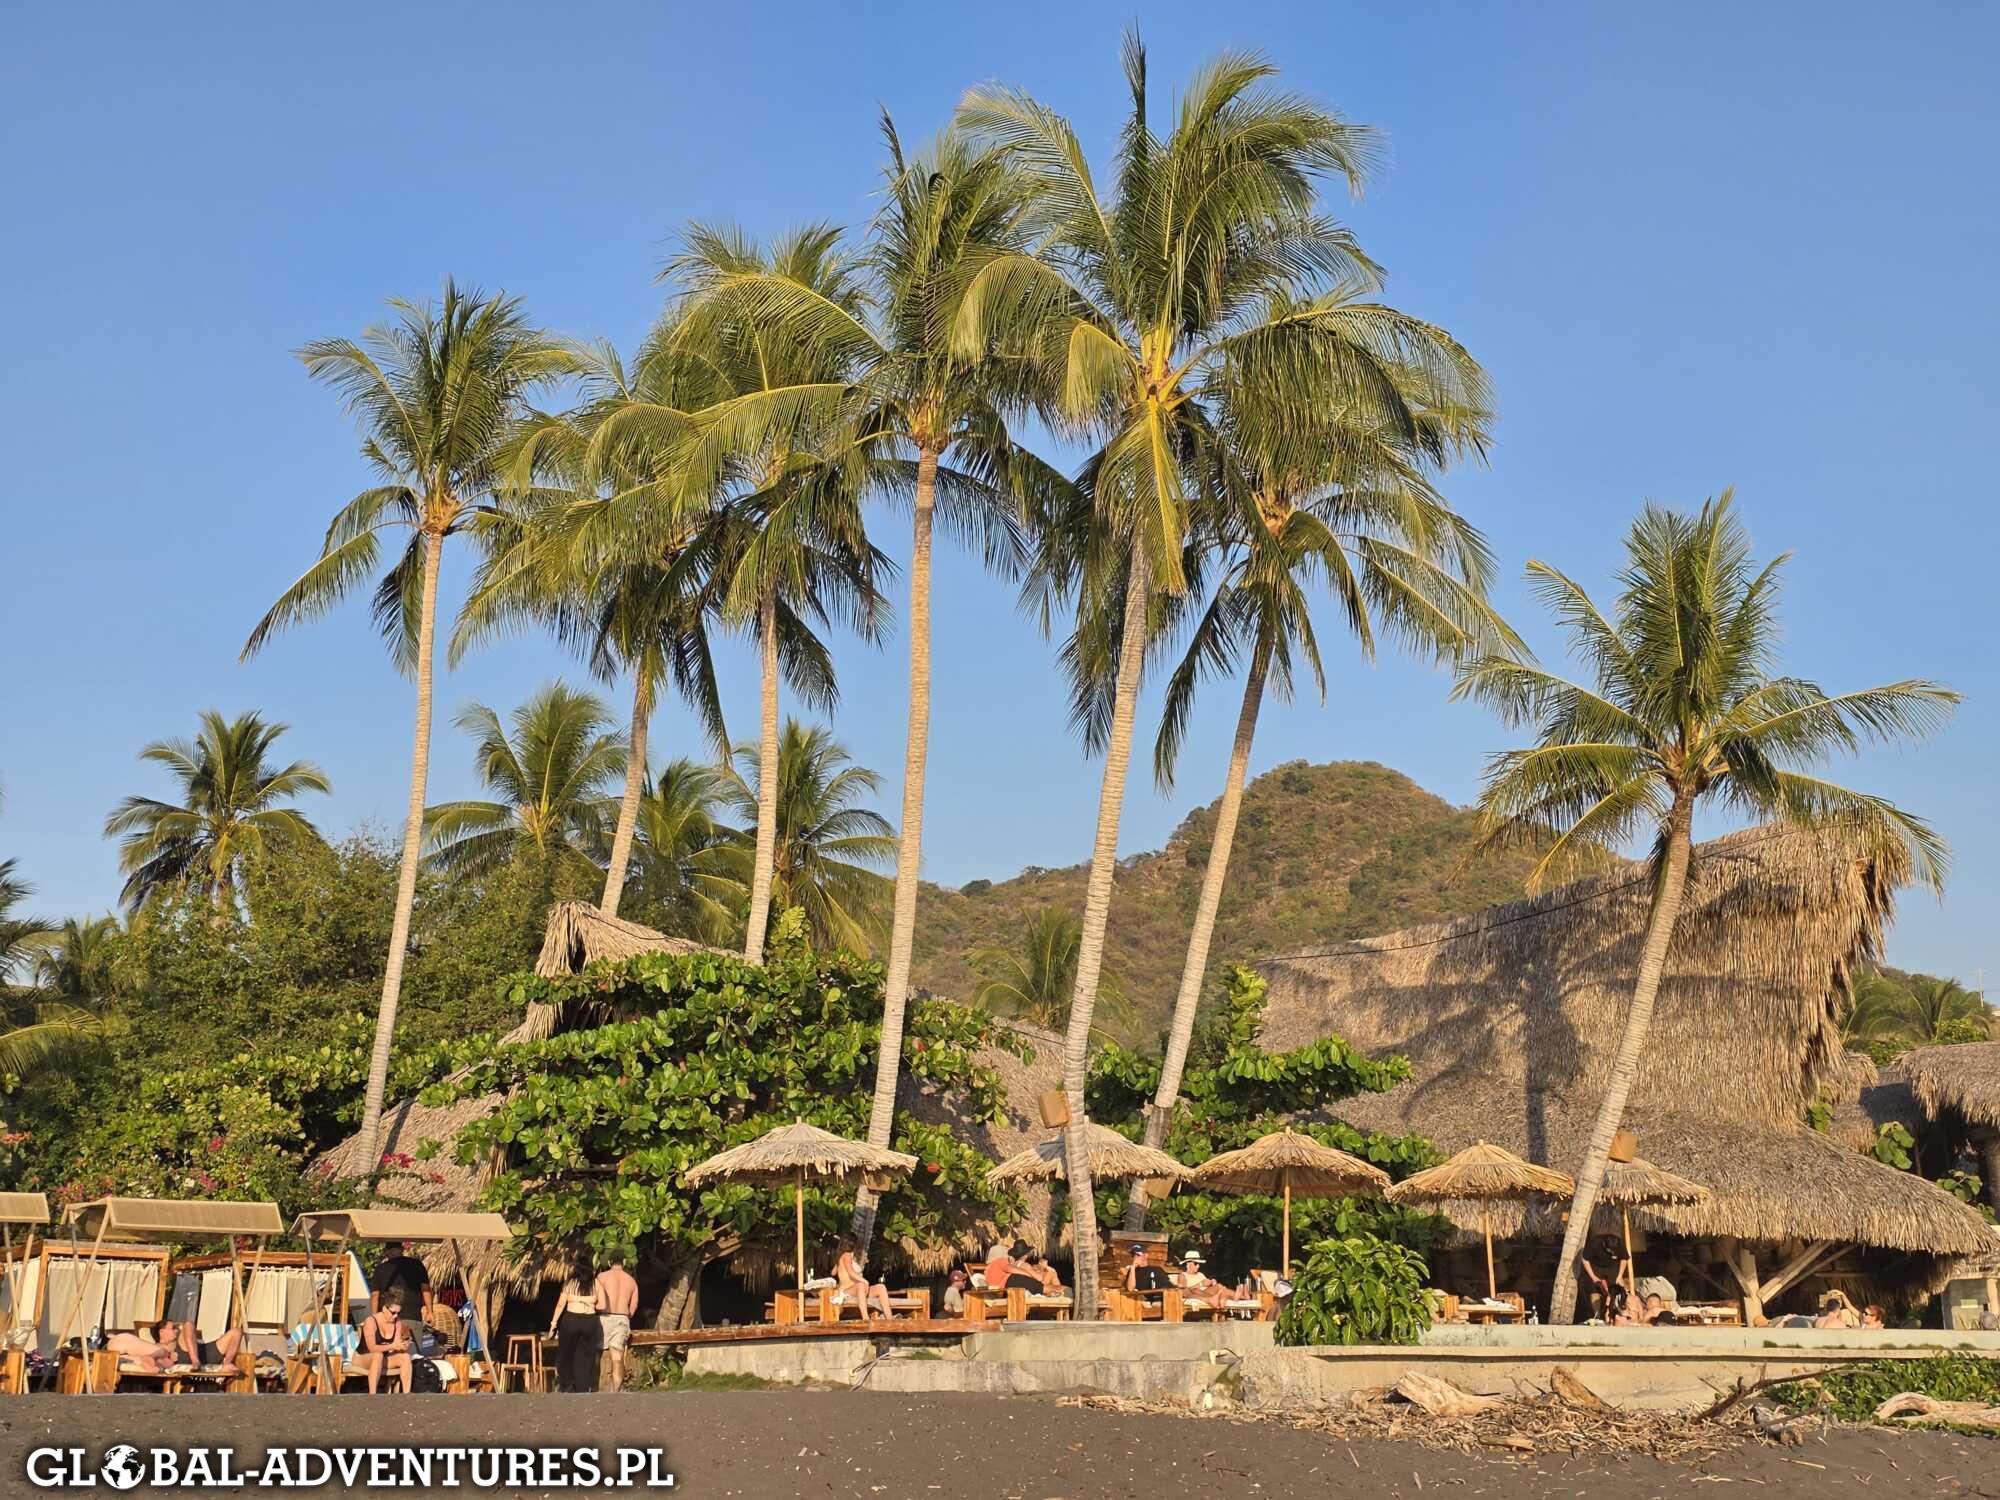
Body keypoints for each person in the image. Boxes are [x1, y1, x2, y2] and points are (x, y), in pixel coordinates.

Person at [371, 1240, 436, 1346]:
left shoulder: (380, 1269)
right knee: (413, 1351)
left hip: (388, 1319)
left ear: (387, 1252)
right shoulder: (416, 1264)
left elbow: (375, 1295)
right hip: (412, 1316)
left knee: (390, 1351)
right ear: (401, 1250)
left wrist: (374, 1318)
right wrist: (430, 1312)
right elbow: (425, 1289)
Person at [548, 1269, 603, 1393]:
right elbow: (603, 1305)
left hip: (571, 1319)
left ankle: (567, 1384)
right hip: (589, 1320)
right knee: (586, 1355)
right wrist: (588, 1302)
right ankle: (582, 1387)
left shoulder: (570, 1282)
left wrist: (553, 1323)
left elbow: (560, 1304)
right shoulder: (596, 1283)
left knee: (566, 1352)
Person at [593, 1254, 639, 1393]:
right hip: (622, 1318)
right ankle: (616, 1390)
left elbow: (595, 1298)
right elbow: (633, 1306)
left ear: (609, 1262)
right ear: (624, 1261)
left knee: (596, 1355)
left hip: (603, 1317)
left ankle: (593, 1388)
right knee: (617, 1358)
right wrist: (626, 1315)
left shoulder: (601, 1277)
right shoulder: (631, 1281)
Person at [355, 1301, 414, 1393]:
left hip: (382, 1359)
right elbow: (371, 1348)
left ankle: (407, 1394)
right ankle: (372, 1395)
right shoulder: (371, 1321)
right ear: (384, 1308)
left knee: (405, 1357)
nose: (396, 1316)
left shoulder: (397, 1322)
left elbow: (395, 1346)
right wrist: (393, 1346)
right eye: (393, 1312)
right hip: (363, 1357)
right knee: (377, 1355)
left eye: (398, 1313)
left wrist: (403, 1346)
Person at [833, 1237, 892, 1320]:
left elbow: (833, 1272)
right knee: (860, 1285)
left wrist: (839, 1265)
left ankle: (889, 1317)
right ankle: (865, 1318)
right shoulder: (847, 1255)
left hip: (859, 1291)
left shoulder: (842, 1256)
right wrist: (865, 1281)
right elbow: (850, 1272)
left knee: (881, 1287)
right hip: (847, 1291)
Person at [156, 1317, 243, 1368]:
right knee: (188, 1323)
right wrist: (168, 1355)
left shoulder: (179, 1337)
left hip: (204, 1352)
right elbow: (158, 1356)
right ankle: (195, 1361)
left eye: (176, 1328)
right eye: (173, 1328)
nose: (176, 1330)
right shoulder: (159, 1346)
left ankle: (227, 1363)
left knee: (237, 1332)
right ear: (161, 1332)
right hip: (187, 1356)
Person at [1576, 1236, 1626, 1320]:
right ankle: (1598, 1317)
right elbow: (1585, 1260)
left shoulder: (1619, 1244)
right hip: (1595, 1267)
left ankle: (1621, 1312)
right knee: (1594, 1291)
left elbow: (1624, 1259)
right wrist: (1593, 1277)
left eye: (1614, 1251)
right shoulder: (1594, 1244)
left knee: (1620, 1287)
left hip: (1611, 1267)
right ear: (1604, 1246)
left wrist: (1620, 1276)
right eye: (1611, 1251)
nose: (1613, 1252)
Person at [105, 1327, 177, 1373]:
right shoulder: (162, 1351)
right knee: (162, 1353)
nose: (175, 1330)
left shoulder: (161, 1355)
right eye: (172, 1328)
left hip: (116, 1348)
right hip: (118, 1343)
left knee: (161, 1358)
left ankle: (145, 1360)